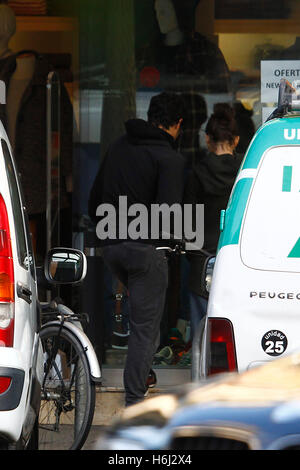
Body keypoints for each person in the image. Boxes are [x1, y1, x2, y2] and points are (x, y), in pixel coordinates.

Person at [88, 92, 185, 407]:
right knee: (145, 327)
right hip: (145, 252)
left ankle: (142, 373)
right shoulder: (169, 159)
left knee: (146, 318)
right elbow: (170, 216)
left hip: (113, 248)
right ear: (177, 124)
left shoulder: (118, 146)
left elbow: (94, 200)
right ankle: (134, 400)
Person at [184, 103, 243, 338]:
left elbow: (187, 219)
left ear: (207, 139)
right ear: (236, 140)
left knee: (201, 332)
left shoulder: (197, 173)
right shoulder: (245, 173)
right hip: (238, 257)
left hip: (201, 260)